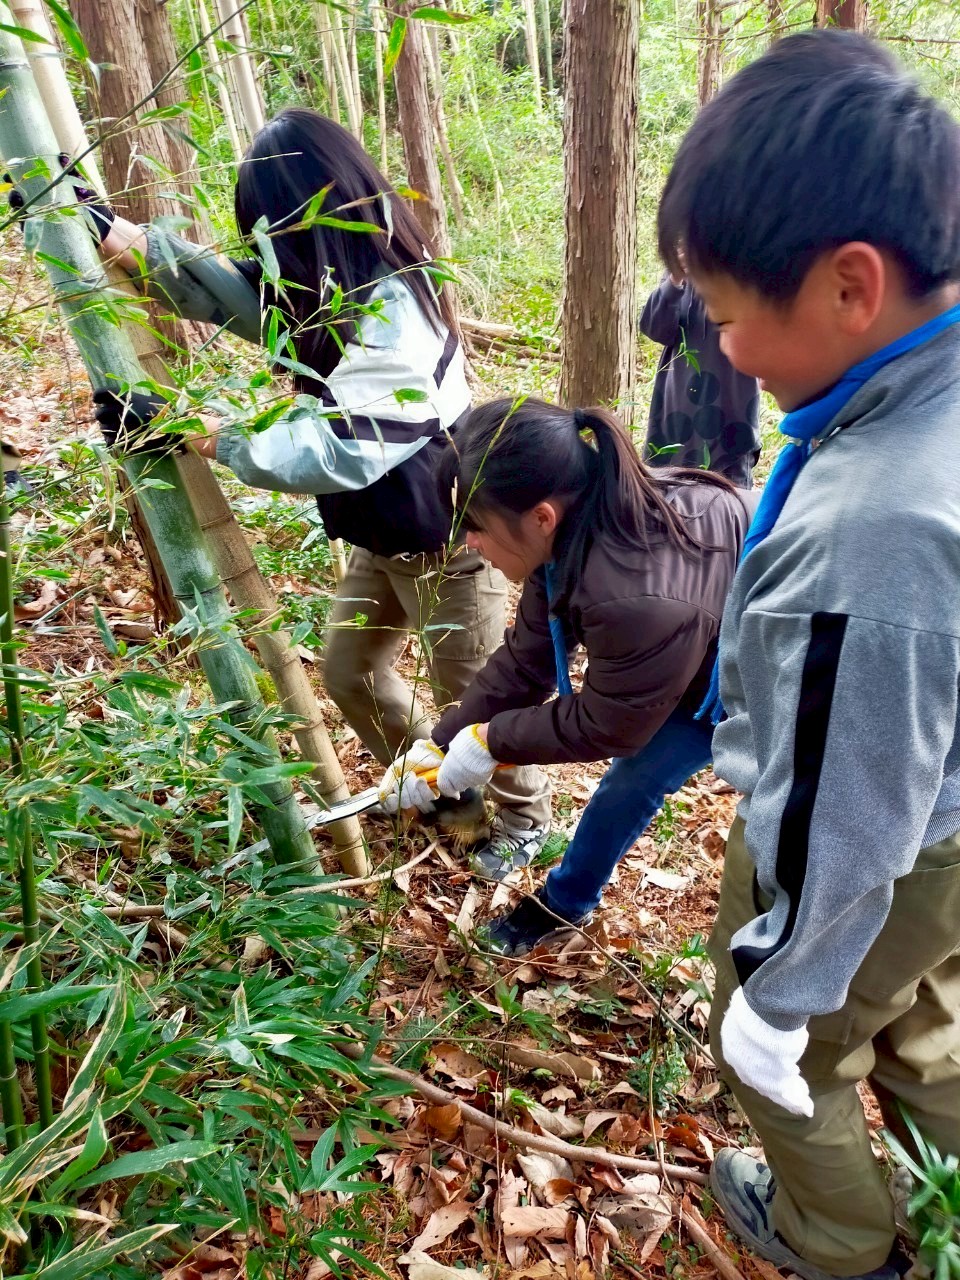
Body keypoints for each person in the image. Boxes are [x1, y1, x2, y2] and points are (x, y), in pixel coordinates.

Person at [656, 28, 960, 1280]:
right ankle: (944, 1197)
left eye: (729, 316)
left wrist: (776, 997)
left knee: (792, 1049)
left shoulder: (873, 537)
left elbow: (843, 822)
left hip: (887, 834)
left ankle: (839, 1236)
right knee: (926, 1024)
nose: (721, 348)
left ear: (849, 285)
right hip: (950, 820)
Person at [89, 108, 551, 866]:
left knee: (480, 705)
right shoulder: (326, 286)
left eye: (274, 233)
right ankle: (447, 791)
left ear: (315, 220)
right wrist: (123, 240)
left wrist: (202, 429)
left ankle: (524, 821)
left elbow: (333, 450)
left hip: (451, 548)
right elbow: (237, 296)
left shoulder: (397, 311)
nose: (266, 253)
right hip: (383, 538)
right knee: (350, 672)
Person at [378, 397, 751, 907]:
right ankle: (568, 901)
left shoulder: (639, 600)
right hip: (686, 654)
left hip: (756, 679)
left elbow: (610, 725)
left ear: (541, 516)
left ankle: (563, 904)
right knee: (626, 788)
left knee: (644, 784)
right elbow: (524, 662)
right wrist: (440, 744)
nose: (467, 543)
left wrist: (490, 742)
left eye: (476, 525)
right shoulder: (572, 530)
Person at [640, 272, 761, 487]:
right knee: (668, 495)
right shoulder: (679, 273)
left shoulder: (748, 262)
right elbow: (655, 329)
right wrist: (675, 280)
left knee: (729, 497)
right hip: (677, 412)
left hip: (732, 411)